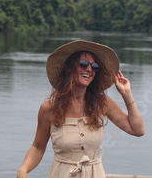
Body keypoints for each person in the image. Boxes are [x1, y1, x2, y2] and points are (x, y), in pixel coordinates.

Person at [17, 40, 145, 178]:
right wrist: (23, 170)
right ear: (69, 67)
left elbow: (137, 130)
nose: (89, 69)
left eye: (94, 66)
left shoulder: (103, 103)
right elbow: (38, 146)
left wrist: (126, 94)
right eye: (83, 64)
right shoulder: (49, 108)